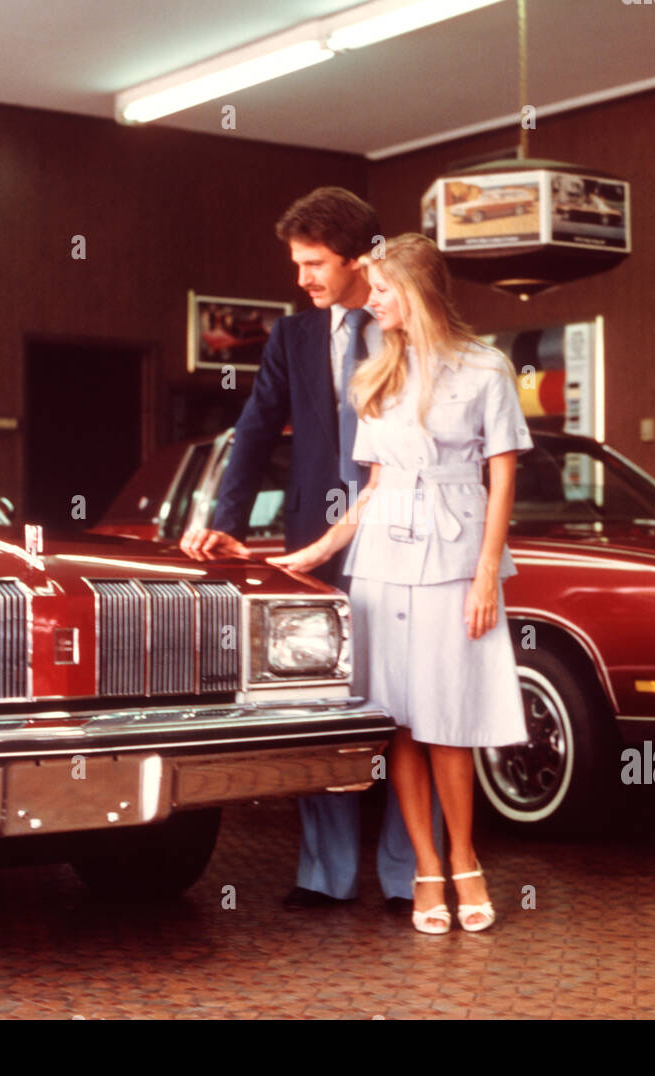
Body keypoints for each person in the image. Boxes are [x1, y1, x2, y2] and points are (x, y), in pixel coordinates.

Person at [180, 187, 439, 913]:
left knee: (409, 707)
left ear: (364, 258)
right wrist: (225, 519)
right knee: (325, 702)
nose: (303, 278)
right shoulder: (293, 338)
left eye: (315, 263)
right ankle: (325, 874)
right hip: (317, 544)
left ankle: (407, 872)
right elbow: (255, 431)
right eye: (297, 263)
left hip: (408, 535)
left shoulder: (412, 327)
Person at [267, 233, 533, 933]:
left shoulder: (486, 369)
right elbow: (375, 487)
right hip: (381, 563)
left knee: (451, 722)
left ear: (412, 292)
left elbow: (501, 478)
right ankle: (423, 869)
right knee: (402, 725)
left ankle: (465, 860)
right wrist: (320, 547)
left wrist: (485, 576)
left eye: (381, 290)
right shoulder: (373, 377)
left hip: (454, 560)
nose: (372, 300)